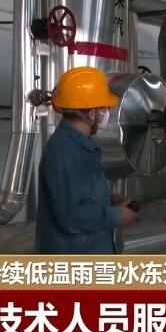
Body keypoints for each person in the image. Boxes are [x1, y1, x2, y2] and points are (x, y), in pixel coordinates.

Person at [35, 66, 139, 254]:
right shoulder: (63, 152)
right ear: (91, 113)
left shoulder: (80, 145)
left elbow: (79, 194)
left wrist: (110, 200)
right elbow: (73, 216)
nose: (106, 113)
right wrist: (117, 216)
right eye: (104, 108)